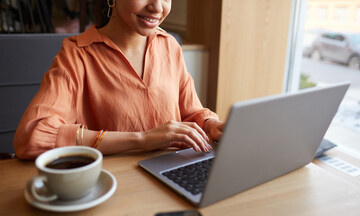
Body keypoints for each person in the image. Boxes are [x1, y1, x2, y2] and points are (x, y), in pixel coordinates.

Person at [14, 0, 224, 159]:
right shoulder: (77, 55)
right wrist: (143, 139)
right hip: (117, 186)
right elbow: (32, 136)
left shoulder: (169, 46)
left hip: (172, 175)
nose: (157, 7)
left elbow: (191, 113)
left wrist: (209, 125)